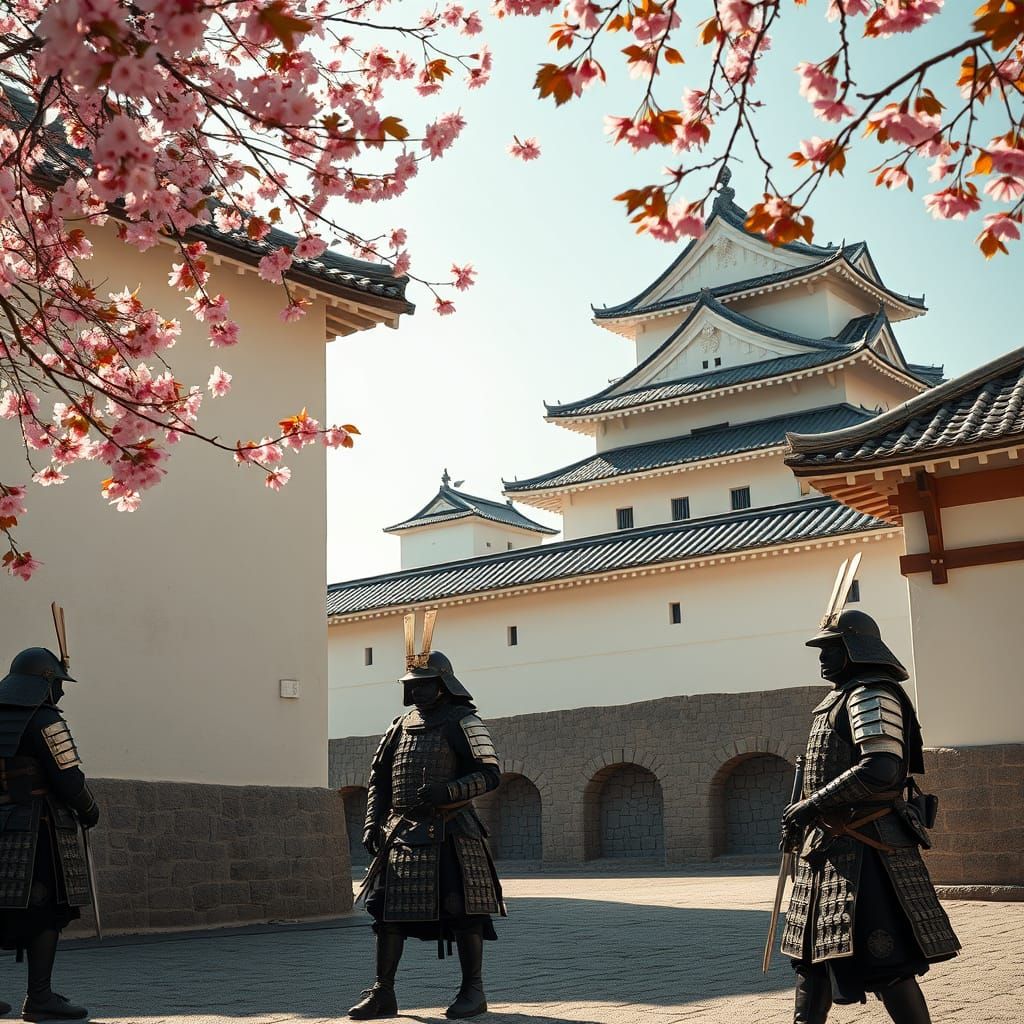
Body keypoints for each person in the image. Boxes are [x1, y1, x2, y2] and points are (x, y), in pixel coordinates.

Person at [779, 609, 960, 1023]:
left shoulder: (871, 693)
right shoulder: (838, 699)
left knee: (887, 963)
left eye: (831, 647)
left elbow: (881, 769)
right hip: (827, 849)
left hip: (868, 850)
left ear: (855, 649)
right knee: (811, 961)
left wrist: (810, 805)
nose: (823, 656)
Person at [348, 612, 505, 1021]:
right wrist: (371, 822)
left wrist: (448, 791)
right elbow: (379, 778)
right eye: (412, 686)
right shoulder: (399, 726)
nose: (417, 691)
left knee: (463, 909)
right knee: (385, 914)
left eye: (424, 684)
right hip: (401, 833)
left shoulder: (462, 721)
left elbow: (490, 773)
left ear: (444, 683)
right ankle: (384, 992)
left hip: (452, 830)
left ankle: (474, 990)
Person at [0, 647, 99, 1022]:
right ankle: (39, 996)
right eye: (57, 683)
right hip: (35, 830)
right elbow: (69, 780)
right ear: (44, 684)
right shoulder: (44, 721)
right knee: (46, 911)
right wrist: (90, 811)